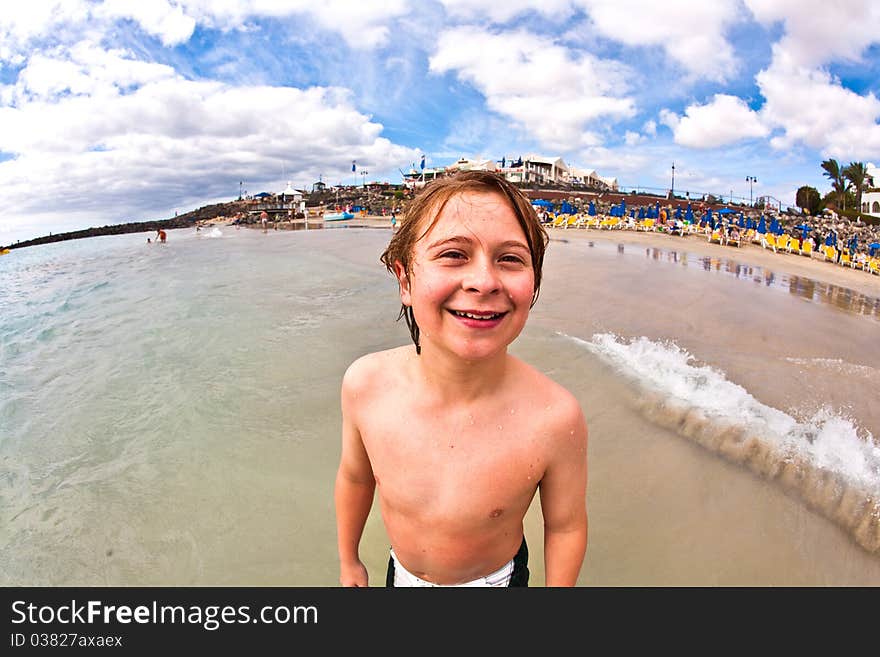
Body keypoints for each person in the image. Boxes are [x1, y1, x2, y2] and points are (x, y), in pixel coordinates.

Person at [335, 170, 589, 587]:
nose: (484, 281)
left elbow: (565, 527)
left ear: (534, 283)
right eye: (453, 254)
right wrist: (349, 560)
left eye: (510, 259)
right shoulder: (365, 385)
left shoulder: (555, 417)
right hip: (401, 575)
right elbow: (355, 477)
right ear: (404, 279)